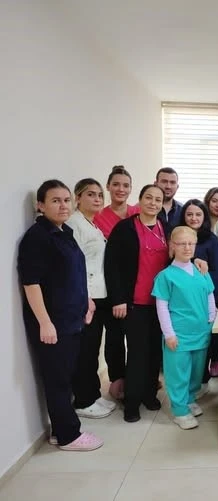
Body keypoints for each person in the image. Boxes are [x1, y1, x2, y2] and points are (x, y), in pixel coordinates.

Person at [18, 179, 103, 451]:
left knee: (65, 375)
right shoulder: (37, 237)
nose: (63, 205)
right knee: (58, 380)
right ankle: (68, 436)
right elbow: (31, 283)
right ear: (41, 205)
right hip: (54, 323)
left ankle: (60, 430)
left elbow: (74, 272)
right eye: (55, 200)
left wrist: (86, 300)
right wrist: (45, 323)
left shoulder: (64, 231)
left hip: (72, 319)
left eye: (66, 200)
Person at [104, 184, 168, 423]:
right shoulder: (125, 228)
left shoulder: (166, 228)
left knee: (155, 352)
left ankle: (150, 395)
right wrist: (118, 299)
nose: (153, 203)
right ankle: (132, 402)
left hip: (160, 303)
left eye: (158, 199)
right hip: (134, 303)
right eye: (148, 198)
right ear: (140, 201)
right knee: (138, 353)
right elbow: (112, 266)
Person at [152, 226, 218, 430]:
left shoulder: (201, 271)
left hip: (201, 331)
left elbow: (210, 297)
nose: (187, 247)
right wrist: (169, 334)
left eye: (191, 243)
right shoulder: (166, 276)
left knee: (196, 373)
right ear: (172, 246)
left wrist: (211, 321)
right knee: (178, 373)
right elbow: (162, 306)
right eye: (182, 244)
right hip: (179, 334)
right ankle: (180, 411)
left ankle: (189, 399)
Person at [66, 178, 117, 419]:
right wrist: (86, 298)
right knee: (85, 351)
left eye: (99, 195)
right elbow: (74, 265)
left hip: (98, 295)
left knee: (93, 348)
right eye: (90, 194)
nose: (97, 199)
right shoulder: (74, 224)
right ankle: (84, 401)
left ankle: (93, 395)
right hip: (86, 298)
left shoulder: (92, 224)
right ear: (77, 198)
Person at [94, 165, 138, 400]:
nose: (121, 189)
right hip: (109, 285)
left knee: (138, 336)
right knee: (114, 335)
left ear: (131, 189)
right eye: (116, 184)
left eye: (126, 185)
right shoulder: (98, 217)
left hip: (138, 285)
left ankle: (138, 377)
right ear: (108, 187)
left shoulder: (137, 213)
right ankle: (117, 379)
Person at [179, 199, 218, 379]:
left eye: (198, 214)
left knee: (203, 339)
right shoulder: (176, 238)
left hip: (205, 300)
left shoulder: (212, 241)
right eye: (189, 214)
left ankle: (202, 376)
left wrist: (204, 297)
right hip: (180, 301)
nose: (194, 218)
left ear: (204, 217)